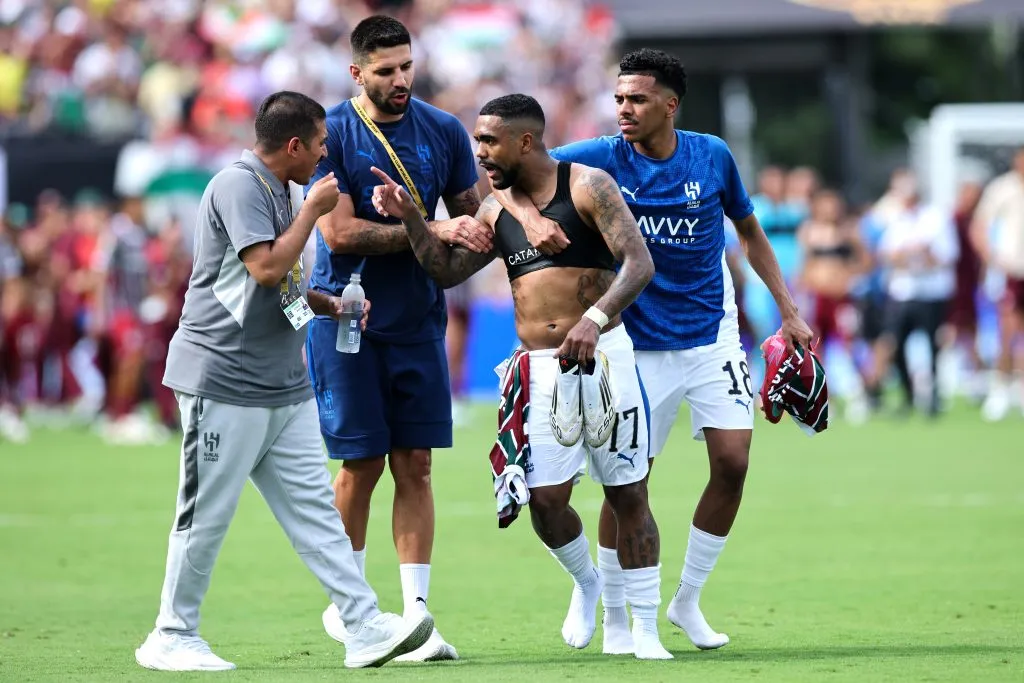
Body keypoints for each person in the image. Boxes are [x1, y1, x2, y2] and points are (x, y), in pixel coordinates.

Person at [495, 49, 813, 653]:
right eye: (619, 98)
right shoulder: (597, 158)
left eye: (637, 99)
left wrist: (789, 311)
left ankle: (686, 600)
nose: (624, 109)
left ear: (670, 105)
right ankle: (611, 609)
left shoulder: (711, 155)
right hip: (636, 346)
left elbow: (750, 233)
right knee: (626, 485)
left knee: (733, 464)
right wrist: (530, 220)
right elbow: (516, 172)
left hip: (712, 334)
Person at [135, 91, 433, 672]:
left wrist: (327, 306)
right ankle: (171, 634)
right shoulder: (238, 184)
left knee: (317, 511)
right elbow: (266, 267)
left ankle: (363, 624)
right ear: (294, 145)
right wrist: (313, 212)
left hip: (282, 384)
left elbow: (284, 286)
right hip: (223, 379)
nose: (324, 154)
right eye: (319, 144)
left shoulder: (287, 191)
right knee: (206, 513)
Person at [370, 93, 672, 659]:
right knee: (545, 501)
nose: (480, 152)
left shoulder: (589, 186)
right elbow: (445, 273)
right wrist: (413, 220)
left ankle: (645, 630)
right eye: (477, 141)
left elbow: (639, 263)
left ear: (525, 141)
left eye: (489, 141)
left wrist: (594, 319)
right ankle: (588, 583)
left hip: (606, 354)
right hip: (540, 369)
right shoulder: (494, 210)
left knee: (628, 492)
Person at [307, 15, 491, 662]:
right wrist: (430, 229)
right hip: (346, 320)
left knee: (416, 463)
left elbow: (476, 216)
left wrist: (485, 231)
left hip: (418, 318)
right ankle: (351, 606)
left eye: (407, 66)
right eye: (385, 70)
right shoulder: (331, 133)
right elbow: (338, 234)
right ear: (357, 73)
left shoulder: (444, 130)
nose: (400, 79)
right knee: (361, 464)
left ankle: (415, 614)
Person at [876, 175, 958, 417]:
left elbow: (947, 256)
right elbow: (887, 255)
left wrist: (922, 255)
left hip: (931, 292)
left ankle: (933, 397)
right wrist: (911, 255)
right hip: (903, 292)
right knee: (895, 342)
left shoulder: (936, 218)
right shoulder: (896, 220)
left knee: (933, 344)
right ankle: (908, 394)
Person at [972, 148, 1024, 421]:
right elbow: (979, 227)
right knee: (1008, 331)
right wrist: (992, 258)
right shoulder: (1002, 189)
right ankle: (1000, 387)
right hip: (1011, 270)